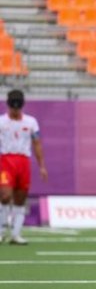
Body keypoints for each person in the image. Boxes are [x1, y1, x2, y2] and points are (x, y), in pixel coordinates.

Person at [0, 89, 47, 245]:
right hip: (6, 161)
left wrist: (42, 166)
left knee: (20, 198)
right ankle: (1, 231)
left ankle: (15, 234)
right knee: (5, 195)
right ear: (8, 106)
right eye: (12, 109)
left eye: (17, 108)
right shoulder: (1, 121)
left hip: (23, 162)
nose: (15, 112)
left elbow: (37, 144)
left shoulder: (31, 122)